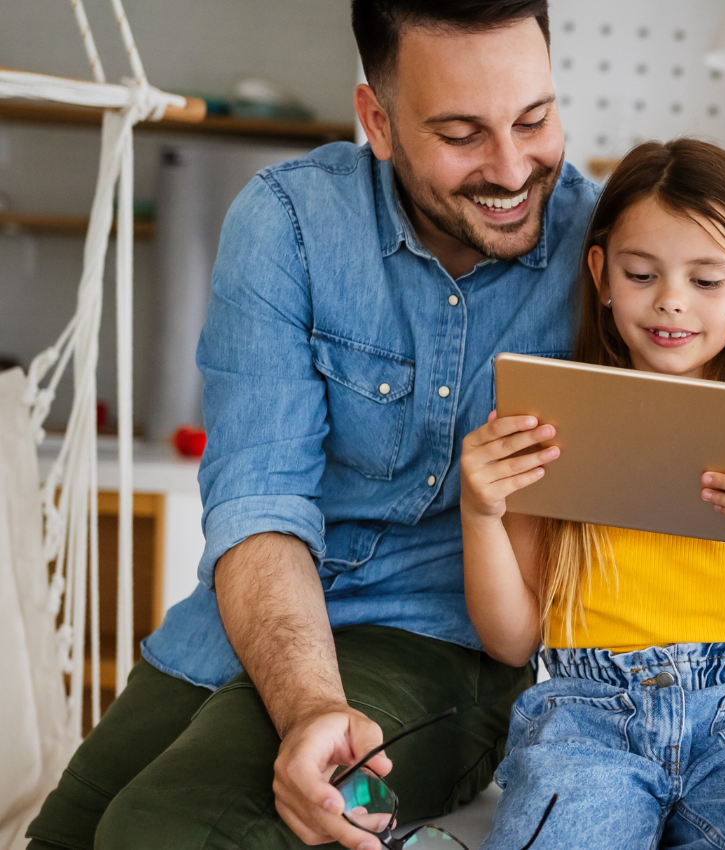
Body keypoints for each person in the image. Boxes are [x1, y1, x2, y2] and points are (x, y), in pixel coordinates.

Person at [25, 3, 596, 848]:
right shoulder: (286, 222)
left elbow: (712, 476)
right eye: (461, 133)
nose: (512, 167)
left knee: (160, 833)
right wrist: (311, 702)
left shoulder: (614, 250)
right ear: (378, 121)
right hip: (243, 621)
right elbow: (258, 500)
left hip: (435, 645)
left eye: (535, 118)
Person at [458, 138, 725, 848]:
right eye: (642, 273)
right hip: (585, 722)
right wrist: (480, 511)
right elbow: (512, 638)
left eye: (707, 281)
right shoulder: (555, 418)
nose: (671, 302)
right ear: (602, 273)